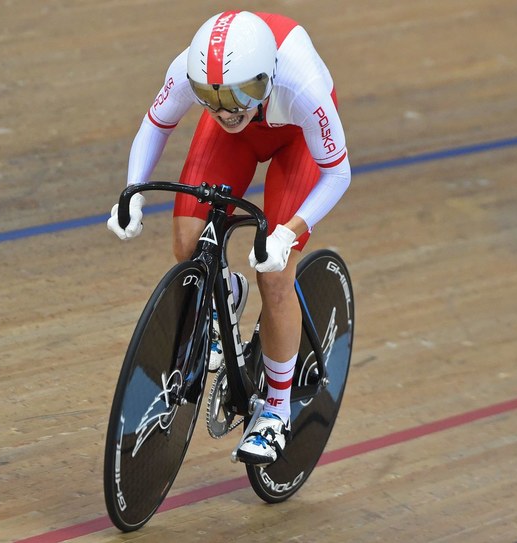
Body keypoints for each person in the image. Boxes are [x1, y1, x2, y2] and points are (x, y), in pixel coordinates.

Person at [107, 10, 350, 465]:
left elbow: (338, 173)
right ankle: (227, 291)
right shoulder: (198, 78)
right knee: (186, 245)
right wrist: (132, 191)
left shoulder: (304, 86)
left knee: (276, 274)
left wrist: (288, 233)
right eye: (210, 97)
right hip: (237, 141)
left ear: (267, 77)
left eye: (240, 94)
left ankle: (275, 410)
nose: (224, 108)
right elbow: (155, 124)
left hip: (297, 141)